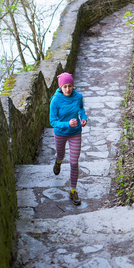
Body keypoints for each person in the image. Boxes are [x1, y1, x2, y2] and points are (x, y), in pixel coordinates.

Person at [49, 72, 87, 205]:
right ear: (60, 87)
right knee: (61, 155)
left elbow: (81, 110)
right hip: (60, 132)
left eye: (70, 86)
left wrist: (83, 119)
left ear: (73, 85)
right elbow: (52, 121)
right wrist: (66, 124)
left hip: (75, 132)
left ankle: (73, 190)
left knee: (73, 162)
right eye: (65, 86)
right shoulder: (55, 100)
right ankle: (58, 161)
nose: (68, 89)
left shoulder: (78, 97)